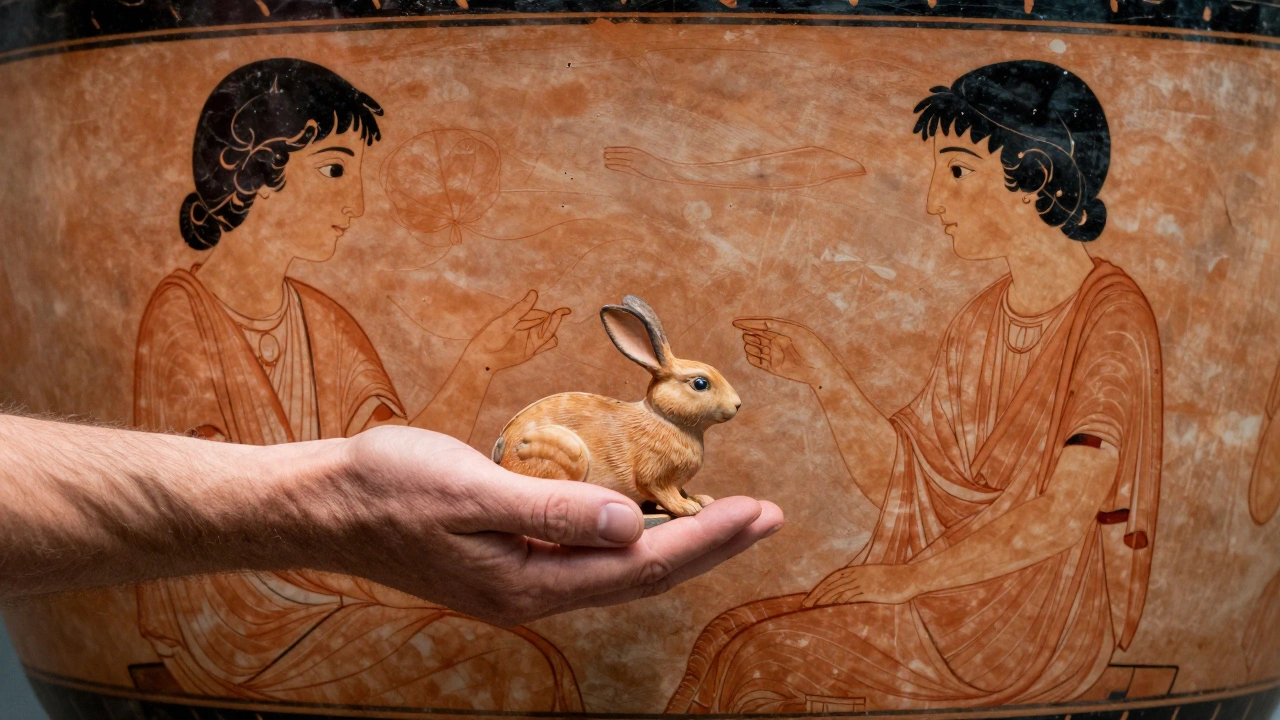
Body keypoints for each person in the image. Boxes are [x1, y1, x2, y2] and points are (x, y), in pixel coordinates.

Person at [0, 58, 783, 712]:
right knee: (524, 673)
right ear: (255, 175)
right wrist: (335, 506)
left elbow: (402, 452)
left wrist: (478, 361)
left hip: (336, 585)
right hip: (241, 605)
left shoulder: (321, 318)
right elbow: (189, 487)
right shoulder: (183, 314)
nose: (360, 204)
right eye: (334, 171)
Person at [669, 60, 1162, 713]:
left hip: (1034, 617)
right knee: (724, 636)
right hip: (949, 595)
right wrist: (827, 377)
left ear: (1036, 179)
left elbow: (1063, 513)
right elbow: (907, 481)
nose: (935, 200)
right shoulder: (982, 320)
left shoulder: (1110, 316)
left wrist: (907, 580)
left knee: (758, 659)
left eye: (958, 171)